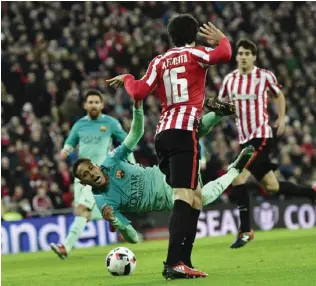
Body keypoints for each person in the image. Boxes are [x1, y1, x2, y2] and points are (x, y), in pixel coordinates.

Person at [106, 15, 232, 279]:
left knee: (195, 196)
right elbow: (225, 53)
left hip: (163, 135)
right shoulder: (197, 53)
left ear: (170, 36)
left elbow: (138, 92)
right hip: (186, 132)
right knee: (184, 196)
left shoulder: (159, 61)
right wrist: (220, 38)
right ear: (193, 35)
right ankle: (173, 263)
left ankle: (184, 260)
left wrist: (129, 77)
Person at [71, 99, 254, 269]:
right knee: (203, 197)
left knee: (184, 138)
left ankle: (219, 114)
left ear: (95, 165)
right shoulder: (104, 202)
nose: (91, 173)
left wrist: (137, 107)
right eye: (85, 174)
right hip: (168, 200)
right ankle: (234, 170)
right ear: (82, 182)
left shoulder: (111, 162)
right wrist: (114, 222)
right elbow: (134, 239)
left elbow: (135, 134)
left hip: (167, 173)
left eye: (90, 168)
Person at [217, 39, 316, 249]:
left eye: (247, 53)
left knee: (236, 176)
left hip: (261, 136)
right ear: (236, 57)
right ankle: (311, 193)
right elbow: (222, 105)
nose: (243, 56)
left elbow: (278, 95)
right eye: (240, 53)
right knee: (272, 187)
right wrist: (217, 108)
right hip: (244, 140)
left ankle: (245, 231)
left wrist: (281, 118)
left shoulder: (264, 76)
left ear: (254, 57)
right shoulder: (230, 80)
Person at [50, 89, 135, 258]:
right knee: (85, 214)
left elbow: (127, 142)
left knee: (83, 208)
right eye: (90, 102)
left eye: (97, 102)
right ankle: (114, 217)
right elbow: (70, 142)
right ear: (85, 105)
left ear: (102, 105)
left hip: (98, 174)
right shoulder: (79, 124)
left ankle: (65, 248)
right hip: (80, 176)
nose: (94, 105)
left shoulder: (110, 123)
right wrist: (65, 150)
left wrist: (132, 163)